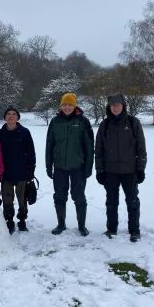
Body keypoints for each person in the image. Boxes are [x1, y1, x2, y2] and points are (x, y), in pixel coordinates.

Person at [95, 94, 147, 243]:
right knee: (111, 202)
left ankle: (134, 230)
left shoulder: (133, 122)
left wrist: (140, 169)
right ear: (109, 107)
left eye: (118, 104)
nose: (115, 107)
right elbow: (98, 150)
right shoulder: (104, 125)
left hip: (130, 171)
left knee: (132, 202)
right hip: (110, 171)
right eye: (113, 105)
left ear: (123, 106)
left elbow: (141, 148)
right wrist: (99, 171)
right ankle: (112, 228)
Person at [45, 93, 94, 236]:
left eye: (70, 104)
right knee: (59, 196)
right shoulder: (55, 121)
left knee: (79, 196)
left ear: (75, 106)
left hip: (78, 167)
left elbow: (89, 146)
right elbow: (50, 144)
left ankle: (82, 226)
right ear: (60, 106)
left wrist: (88, 167)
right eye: (64, 104)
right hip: (60, 167)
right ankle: (61, 224)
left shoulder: (83, 121)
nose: (67, 107)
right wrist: (49, 165)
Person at [0, 106, 36, 234]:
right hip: (6, 174)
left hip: (22, 173)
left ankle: (22, 220)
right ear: (5, 117)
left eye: (14, 114)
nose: (11, 116)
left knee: (22, 200)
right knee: (7, 200)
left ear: (17, 117)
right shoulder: (0, 134)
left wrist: (31, 171)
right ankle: (9, 221)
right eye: (8, 114)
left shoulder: (25, 132)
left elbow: (31, 153)